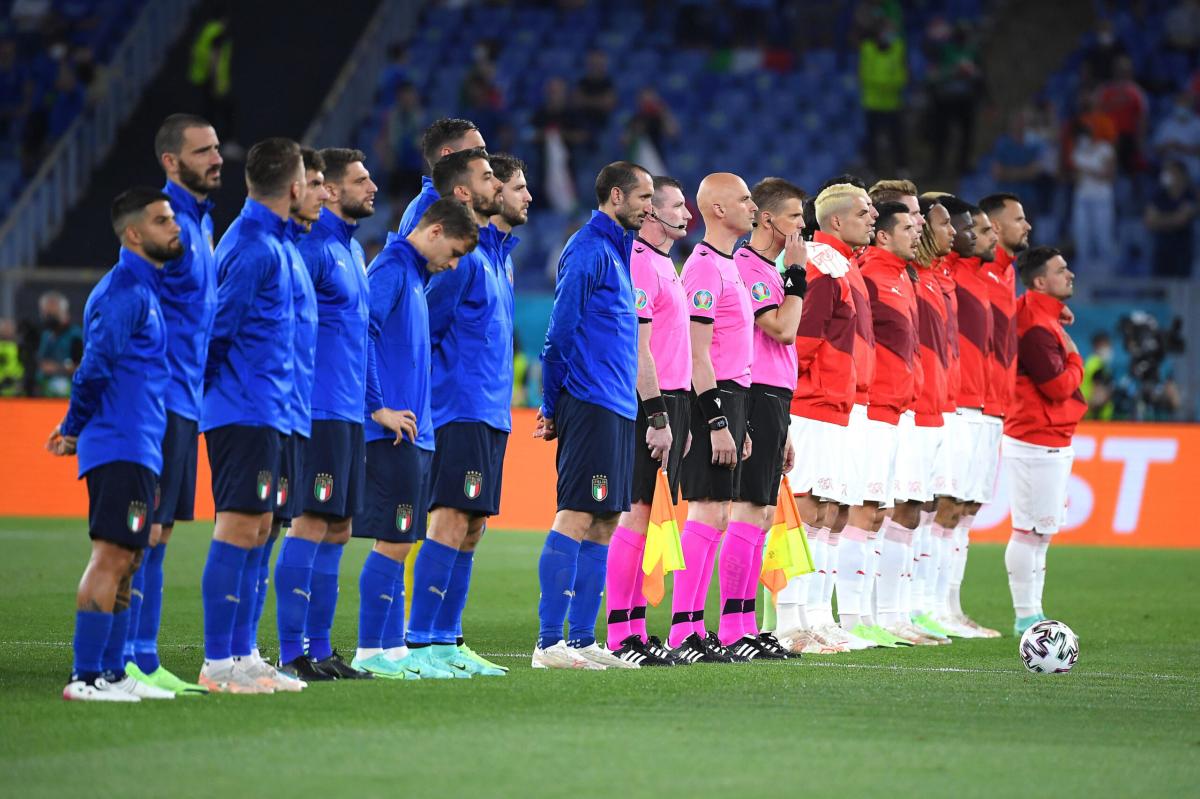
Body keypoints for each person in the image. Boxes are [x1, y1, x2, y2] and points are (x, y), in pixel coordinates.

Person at [53, 187, 181, 702]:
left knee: (130, 558)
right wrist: (73, 427)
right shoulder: (123, 292)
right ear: (133, 233)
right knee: (110, 557)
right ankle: (84, 677)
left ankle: (111, 672)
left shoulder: (145, 289)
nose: (174, 227)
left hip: (141, 445)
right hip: (121, 445)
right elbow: (94, 368)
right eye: (161, 220)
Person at [532, 161, 653, 670]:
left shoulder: (618, 252)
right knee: (578, 513)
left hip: (619, 404)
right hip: (591, 401)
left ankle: (581, 641)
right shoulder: (587, 249)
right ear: (618, 197)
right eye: (645, 197)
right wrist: (551, 403)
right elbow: (559, 335)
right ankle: (547, 643)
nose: (650, 207)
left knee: (605, 520)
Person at [354, 198, 481, 680]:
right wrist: (376, 406)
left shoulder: (414, 275)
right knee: (391, 540)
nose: (452, 264)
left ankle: (394, 650)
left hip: (415, 431)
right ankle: (371, 650)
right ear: (434, 231)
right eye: (452, 252)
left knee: (403, 540)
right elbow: (360, 331)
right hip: (391, 431)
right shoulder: (389, 268)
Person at [400, 146, 514, 678]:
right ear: (465, 191)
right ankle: (420, 642)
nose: (504, 185)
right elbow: (426, 328)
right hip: (458, 408)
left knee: (472, 528)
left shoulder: (495, 254)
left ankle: (446, 641)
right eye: (492, 177)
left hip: (491, 411)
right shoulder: (462, 260)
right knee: (449, 521)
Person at [198, 138, 306, 694]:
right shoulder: (250, 245)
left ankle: (244, 653)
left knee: (263, 528)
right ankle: (219, 661)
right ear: (294, 187)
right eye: (307, 180)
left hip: (274, 410)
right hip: (244, 409)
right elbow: (217, 332)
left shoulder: (277, 243)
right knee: (240, 525)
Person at [122, 113, 222, 697]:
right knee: (137, 533)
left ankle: (144, 656)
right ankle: (122, 658)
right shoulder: (162, 225)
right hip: (155, 398)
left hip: (186, 400)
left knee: (159, 533)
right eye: (202, 151)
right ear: (170, 161)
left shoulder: (199, 225)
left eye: (215, 149)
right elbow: (135, 299)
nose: (215, 158)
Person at [270, 148, 377, 682]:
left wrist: (374, 403)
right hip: (316, 409)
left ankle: (321, 648)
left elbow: (361, 338)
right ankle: (291, 653)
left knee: (338, 528)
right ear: (329, 190)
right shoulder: (312, 248)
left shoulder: (354, 254)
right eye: (361, 180)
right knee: (311, 523)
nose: (373, 186)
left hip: (349, 412)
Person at [665, 172, 759, 664]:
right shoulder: (703, 267)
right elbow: (697, 353)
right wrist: (717, 421)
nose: (753, 207)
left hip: (733, 394)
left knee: (720, 514)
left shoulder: (729, 265)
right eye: (744, 199)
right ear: (718, 210)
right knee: (705, 510)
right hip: (712, 396)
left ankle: (698, 629)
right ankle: (684, 631)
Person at [604, 175, 692, 667]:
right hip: (646, 403)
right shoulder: (639, 262)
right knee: (634, 516)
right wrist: (658, 413)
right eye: (677, 206)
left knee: (646, 515)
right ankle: (622, 634)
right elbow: (638, 350)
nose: (687, 215)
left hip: (670, 402)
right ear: (652, 213)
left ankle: (635, 629)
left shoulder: (664, 262)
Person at [723, 176, 810, 660]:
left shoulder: (768, 268)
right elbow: (781, 329)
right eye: (796, 216)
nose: (802, 225)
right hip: (754, 396)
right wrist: (796, 276)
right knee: (749, 511)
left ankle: (745, 624)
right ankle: (736, 627)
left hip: (774, 398)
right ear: (768, 217)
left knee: (761, 513)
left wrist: (788, 424)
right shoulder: (750, 266)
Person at [852, 202, 945, 647]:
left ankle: (887, 615)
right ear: (883, 236)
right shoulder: (870, 274)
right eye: (907, 226)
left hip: (899, 409)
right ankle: (858, 616)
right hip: (871, 408)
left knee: (884, 512)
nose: (917, 231)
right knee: (865, 511)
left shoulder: (902, 277)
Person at [777, 184, 863, 653]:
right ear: (833, 221)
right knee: (806, 511)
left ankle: (816, 616)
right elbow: (802, 340)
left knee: (827, 513)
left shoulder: (840, 265)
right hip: (811, 404)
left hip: (833, 403)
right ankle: (790, 622)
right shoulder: (822, 265)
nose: (871, 216)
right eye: (864, 210)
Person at [267, 148, 331, 683]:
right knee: (266, 528)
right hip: (279, 410)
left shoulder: (312, 250)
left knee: (301, 526)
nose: (324, 192)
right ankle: (271, 652)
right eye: (317, 183)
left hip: (299, 411)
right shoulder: (279, 250)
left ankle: (311, 650)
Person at [1003, 247, 1086, 635]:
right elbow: (1056, 386)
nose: (1069, 274)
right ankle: (1026, 614)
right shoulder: (1036, 324)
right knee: (1029, 530)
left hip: (1046, 435)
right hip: (1036, 435)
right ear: (1040, 281)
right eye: (1061, 270)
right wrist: (1076, 361)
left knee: (1040, 531)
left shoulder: (1041, 317)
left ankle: (1032, 611)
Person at [944, 203, 1003, 639]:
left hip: (984, 405)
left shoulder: (988, 279)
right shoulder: (952, 273)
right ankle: (909, 608)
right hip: (953, 405)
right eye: (980, 230)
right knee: (934, 509)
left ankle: (947, 606)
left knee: (964, 511)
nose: (990, 238)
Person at [907, 196, 957, 640]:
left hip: (936, 406)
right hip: (905, 406)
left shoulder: (935, 279)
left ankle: (920, 608)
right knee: (886, 510)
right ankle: (878, 614)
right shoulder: (910, 277)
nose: (953, 232)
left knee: (923, 508)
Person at [397, 118, 486, 237]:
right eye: (478, 151)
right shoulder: (424, 215)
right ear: (448, 155)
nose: (486, 157)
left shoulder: (474, 208)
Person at [859, 20, 908, 176]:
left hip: (893, 104)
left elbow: (902, 76)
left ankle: (901, 168)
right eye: (887, 31)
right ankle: (871, 169)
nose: (890, 35)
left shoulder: (898, 48)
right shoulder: (867, 49)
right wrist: (888, 83)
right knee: (871, 139)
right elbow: (866, 76)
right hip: (872, 103)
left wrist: (883, 83)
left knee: (897, 138)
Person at [1069, 120, 1116, 276]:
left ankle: (1108, 274)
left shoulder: (1105, 149)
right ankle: (1083, 275)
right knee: (1083, 239)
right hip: (1082, 199)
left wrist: (1087, 171)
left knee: (1103, 239)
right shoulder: (1077, 153)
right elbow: (1076, 178)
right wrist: (1093, 171)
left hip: (1102, 200)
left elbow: (1109, 175)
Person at [1144, 159, 1197, 278]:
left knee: (1181, 288)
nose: (1166, 174)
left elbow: (1181, 220)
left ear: (1180, 174)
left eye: (1170, 171)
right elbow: (1149, 222)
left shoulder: (1190, 195)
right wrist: (1172, 218)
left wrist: (1160, 219)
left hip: (1182, 251)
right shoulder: (1159, 194)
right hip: (1161, 251)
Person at [35, 290, 82, 398]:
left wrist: (57, 368)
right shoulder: (45, 335)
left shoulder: (75, 336)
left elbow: (82, 367)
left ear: (64, 313)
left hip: (68, 393)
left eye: (53, 314)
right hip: (43, 393)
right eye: (46, 314)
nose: (49, 318)